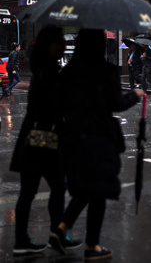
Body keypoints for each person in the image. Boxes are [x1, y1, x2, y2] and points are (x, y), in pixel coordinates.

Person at [52, 29, 143, 260]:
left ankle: (62, 228)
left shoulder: (68, 72)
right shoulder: (105, 71)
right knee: (98, 190)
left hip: (72, 138)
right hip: (98, 139)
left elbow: (59, 105)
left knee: (84, 188)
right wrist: (135, 95)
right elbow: (117, 103)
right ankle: (92, 246)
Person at [10, 27, 81, 256]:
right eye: (60, 41)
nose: (63, 45)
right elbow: (55, 106)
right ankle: (54, 234)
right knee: (57, 187)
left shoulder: (44, 68)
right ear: (49, 45)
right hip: (43, 141)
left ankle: (29, 238)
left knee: (32, 191)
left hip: (34, 139)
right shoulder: (48, 71)